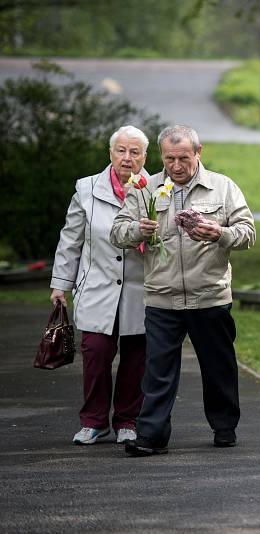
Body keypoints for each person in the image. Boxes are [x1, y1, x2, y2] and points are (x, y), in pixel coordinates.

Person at [111, 125, 256, 456]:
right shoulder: (145, 188)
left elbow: (248, 233)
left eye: (184, 158)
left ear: (198, 153)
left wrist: (219, 232)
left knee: (217, 366)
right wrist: (137, 229)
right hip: (162, 297)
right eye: (169, 158)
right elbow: (118, 232)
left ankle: (224, 427)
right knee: (157, 371)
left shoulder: (222, 187)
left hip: (209, 295)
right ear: (162, 156)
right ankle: (151, 436)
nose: (176, 166)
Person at [50, 125, 150, 446]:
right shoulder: (87, 188)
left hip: (141, 289)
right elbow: (71, 240)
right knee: (95, 354)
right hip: (96, 287)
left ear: (145, 156)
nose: (127, 158)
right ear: (110, 153)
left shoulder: (157, 188)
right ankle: (93, 421)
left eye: (135, 152)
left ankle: (127, 420)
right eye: (121, 150)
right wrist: (60, 284)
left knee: (136, 358)